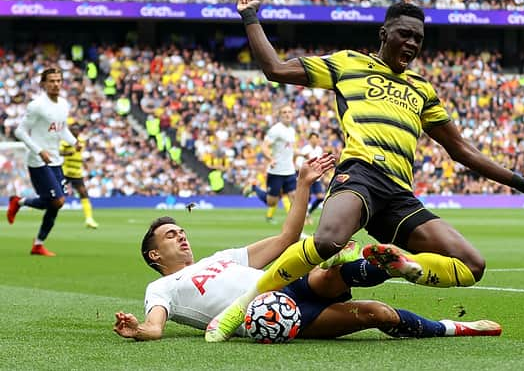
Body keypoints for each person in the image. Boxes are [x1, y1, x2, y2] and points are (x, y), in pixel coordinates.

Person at [206, 0, 524, 341]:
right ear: (384, 34)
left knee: (472, 265)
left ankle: (404, 266)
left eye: (418, 39)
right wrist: (250, 16)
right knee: (330, 240)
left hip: (398, 195)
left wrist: (521, 182)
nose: (412, 43)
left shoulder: (422, 90)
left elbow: (461, 150)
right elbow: (275, 69)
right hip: (360, 175)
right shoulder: (349, 64)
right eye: (404, 35)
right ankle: (241, 305)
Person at [113, 154, 502, 342]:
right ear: (154, 256)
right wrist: (139, 330)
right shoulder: (161, 288)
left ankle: (384, 263)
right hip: (275, 317)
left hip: (289, 287)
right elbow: (155, 327)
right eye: (170, 236)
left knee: (324, 274)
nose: (181, 236)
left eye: (181, 230)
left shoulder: (221, 259)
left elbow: (285, 241)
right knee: (377, 313)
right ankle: (458, 327)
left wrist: (303, 184)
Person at [7, 68, 79, 256]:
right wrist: (39, 150)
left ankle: (37, 243)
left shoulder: (63, 104)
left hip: (56, 159)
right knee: (58, 200)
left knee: (56, 203)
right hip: (38, 160)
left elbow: (61, 129)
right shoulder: (37, 105)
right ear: (43, 84)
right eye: (51, 81)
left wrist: (74, 142)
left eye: (58, 80)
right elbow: (20, 132)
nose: (56, 84)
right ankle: (19, 203)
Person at [249, 104, 297, 223]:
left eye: (289, 112)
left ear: (293, 114)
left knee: (295, 199)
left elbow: (289, 149)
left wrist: (301, 155)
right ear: (280, 115)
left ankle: (294, 226)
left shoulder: (292, 130)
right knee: (272, 202)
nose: (287, 114)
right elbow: (264, 146)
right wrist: (270, 159)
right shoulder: (276, 130)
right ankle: (255, 188)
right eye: (284, 112)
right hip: (276, 172)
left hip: (289, 171)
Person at [60, 122, 99, 229]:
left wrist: (86, 161)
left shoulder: (82, 141)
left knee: (84, 193)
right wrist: (68, 153)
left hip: (77, 172)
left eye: (77, 130)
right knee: (57, 195)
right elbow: (58, 152)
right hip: (65, 172)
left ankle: (89, 219)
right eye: (74, 130)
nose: (76, 132)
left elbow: (80, 154)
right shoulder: (65, 141)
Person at [299, 132, 326, 224]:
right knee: (307, 198)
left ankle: (308, 213)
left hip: (316, 178)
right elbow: (300, 162)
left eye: (316, 138)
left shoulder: (319, 149)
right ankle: (304, 218)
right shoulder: (305, 149)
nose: (314, 140)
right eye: (313, 138)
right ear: (309, 139)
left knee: (320, 197)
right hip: (307, 176)